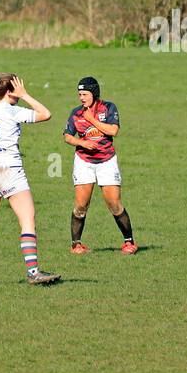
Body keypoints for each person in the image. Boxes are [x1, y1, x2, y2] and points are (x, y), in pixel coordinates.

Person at [0, 73, 60, 285]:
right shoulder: (13, 111)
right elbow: (46, 114)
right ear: (10, 91)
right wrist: (25, 95)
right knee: (27, 220)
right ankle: (33, 272)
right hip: (10, 170)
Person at [64, 75, 137, 255]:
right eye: (80, 94)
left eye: (85, 94)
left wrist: (92, 120)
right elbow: (67, 136)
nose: (81, 98)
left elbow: (113, 130)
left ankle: (129, 243)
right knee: (81, 205)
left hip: (107, 161)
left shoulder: (109, 107)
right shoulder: (76, 113)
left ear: (94, 93)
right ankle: (76, 245)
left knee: (114, 203)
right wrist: (82, 143)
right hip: (84, 162)